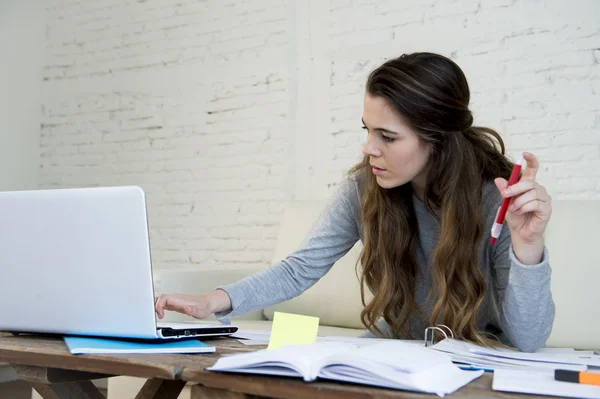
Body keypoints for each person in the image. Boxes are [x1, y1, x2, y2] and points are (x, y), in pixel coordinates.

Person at [155, 52, 554, 352]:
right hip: (389, 352)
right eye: (367, 130)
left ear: (438, 138)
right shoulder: (366, 188)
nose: (368, 149)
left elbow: (530, 339)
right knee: (224, 384)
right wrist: (212, 300)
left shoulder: (496, 199)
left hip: (472, 358)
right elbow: (299, 269)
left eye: (388, 136)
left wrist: (528, 247)